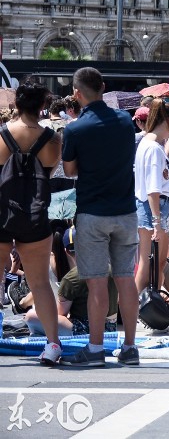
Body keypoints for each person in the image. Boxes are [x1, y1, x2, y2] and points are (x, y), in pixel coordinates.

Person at [60, 67, 142, 368]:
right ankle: (130, 346)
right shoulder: (124, 121)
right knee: (125, 279)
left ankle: (95, 349)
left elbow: (69, 171)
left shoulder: (75, 129)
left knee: (96, 284)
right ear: (103, 87)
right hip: (125, 211)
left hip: (93, 211)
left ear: (77, 94)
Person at [0, 79, 64, 365]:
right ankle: (52, 345)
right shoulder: (52, 140)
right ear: (42, 106)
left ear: (16, 103)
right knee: (40, 283)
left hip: (1, 211)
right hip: (35, 214)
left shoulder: (1, 136)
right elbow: (47, 176)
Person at [133, 102, 169, 297]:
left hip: (155, 206)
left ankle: (145, 304)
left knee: (155, 262)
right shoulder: (153, 147)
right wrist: (157, 221)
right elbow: (153, 188)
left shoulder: (150, 143)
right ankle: (133, 307)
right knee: (149, 262)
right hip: (154, 207)